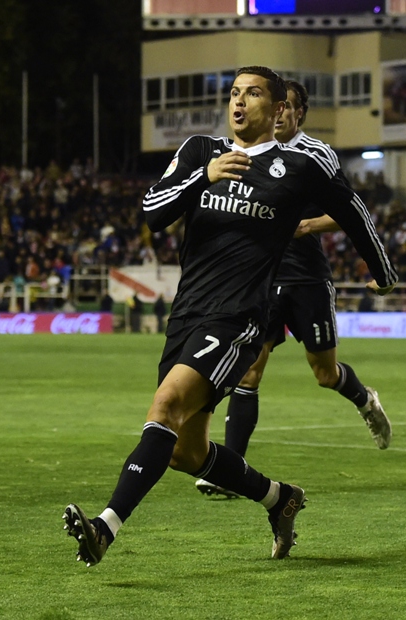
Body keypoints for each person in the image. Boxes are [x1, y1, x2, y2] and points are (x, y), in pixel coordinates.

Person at [62, 66, 396, 567]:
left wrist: (383, 271)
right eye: (235, 93)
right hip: (188, 313)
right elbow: (152, 213)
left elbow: (352, 211)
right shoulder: (201, 151)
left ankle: (105, 528)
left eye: (253, 93)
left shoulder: (300, 166)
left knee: (165, 407)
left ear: (279, 108)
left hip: (240, 319)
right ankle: (279, 498)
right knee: (186, 452)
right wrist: (204, 178)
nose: (239, 102)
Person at [195, 80, 393, 500]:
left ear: (298, 113)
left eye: (286, 108)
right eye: (275, 106)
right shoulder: (249, 154)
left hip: (306, 278)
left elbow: (348, 213)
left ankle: (363, 397)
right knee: (250, 371)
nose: (279, 114)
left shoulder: (316, 154)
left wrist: (305, 225)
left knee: (324, 373)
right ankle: (228, 472)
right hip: (263, 279)